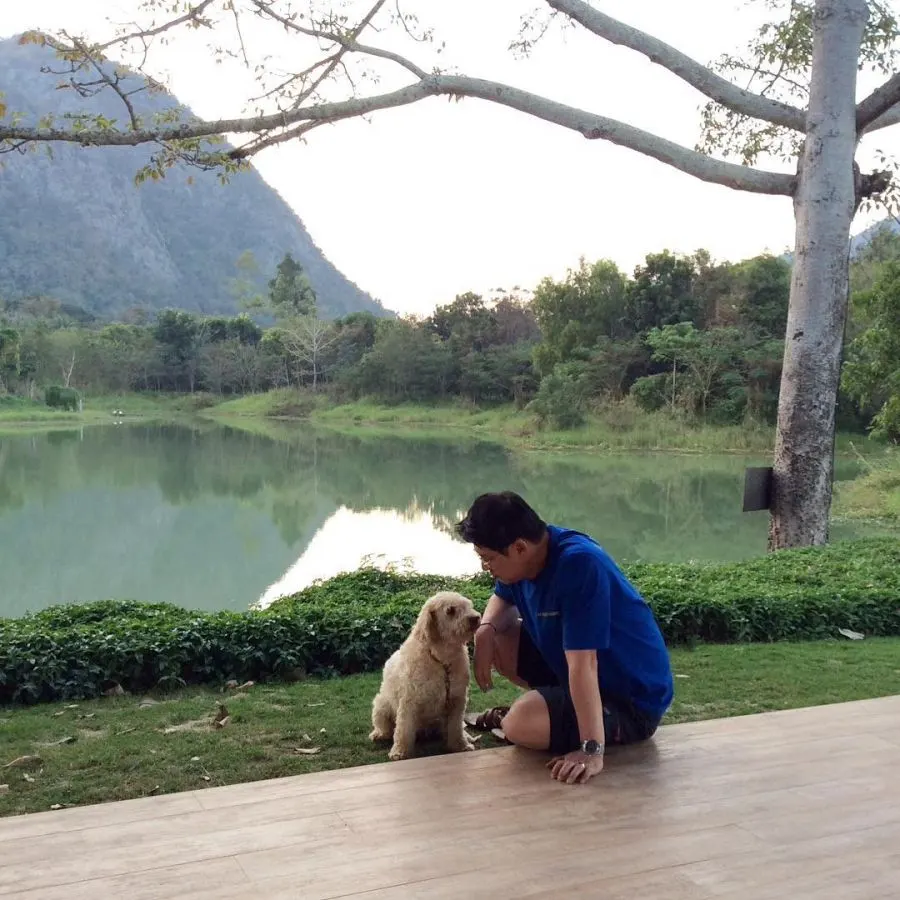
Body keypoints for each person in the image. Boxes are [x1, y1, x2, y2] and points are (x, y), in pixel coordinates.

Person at [455, 491, 673, 785]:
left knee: (519, 724)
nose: (486, 567)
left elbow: (585, 664)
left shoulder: (579, 564)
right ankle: (551, 711)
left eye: (488, 559)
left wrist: (591, 750)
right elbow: (502, 599)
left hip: (630, 702)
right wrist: (485, 630)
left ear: (519, 548)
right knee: (498, 637)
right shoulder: (525, 561)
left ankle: (543, 717)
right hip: (578, 672)